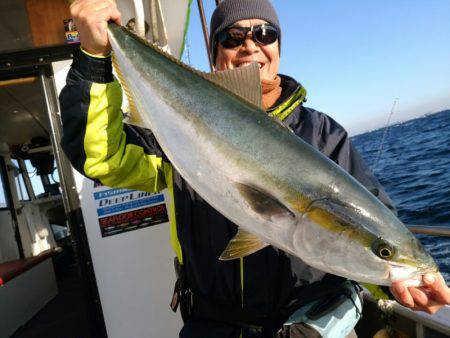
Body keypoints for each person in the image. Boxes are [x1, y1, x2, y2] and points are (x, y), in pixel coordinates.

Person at [62, 0, 450, 337]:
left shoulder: (323, 135)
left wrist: (394, 283)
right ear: (215, 54)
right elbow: (101, 156)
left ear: (278, 46)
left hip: (309, 328)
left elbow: (375, 228)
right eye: (231, 37)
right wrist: (94, 59)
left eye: (264, 33)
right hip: (213, 328)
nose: (250, 44)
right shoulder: (170, 135)